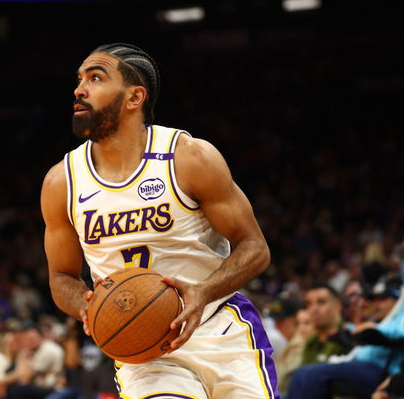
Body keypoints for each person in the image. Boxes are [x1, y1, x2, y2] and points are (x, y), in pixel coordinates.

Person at [40, 43, 277, 398]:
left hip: (221, 330)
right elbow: (61, 277)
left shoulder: (189, 157)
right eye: (79, 80)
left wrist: (202, 292)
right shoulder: (62, 182)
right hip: (145, 353)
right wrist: (89, 307)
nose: (79, 89)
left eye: (96, 78)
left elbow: (255, 248)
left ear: (135, 96)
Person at [288, 276, 404, 399]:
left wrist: (372, 330)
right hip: (358, 363)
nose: (376, 303)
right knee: (301, 375)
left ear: (398, 299)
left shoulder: (396, 319)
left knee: (309, 374)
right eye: (374, 299)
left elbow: (396, 334)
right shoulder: (383, 321)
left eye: (383, 298)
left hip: (379, 369)